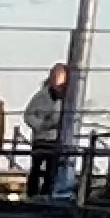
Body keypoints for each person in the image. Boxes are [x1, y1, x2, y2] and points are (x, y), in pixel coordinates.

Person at [22, 62, 71, 196]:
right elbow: (28, 115)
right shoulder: (40, 97)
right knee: (36, 168)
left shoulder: (69, 99)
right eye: (54, 77)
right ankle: (32, 194)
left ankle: (47, 194)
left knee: (52, 168)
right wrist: (41, 125)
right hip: (41, 138)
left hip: (57, 139)